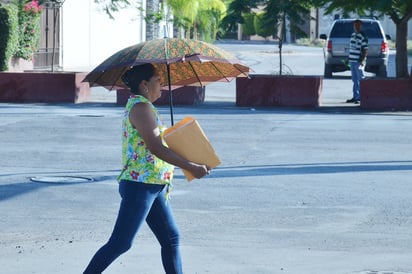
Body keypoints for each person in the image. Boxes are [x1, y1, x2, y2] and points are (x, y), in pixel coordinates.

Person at [83, 63, 211, 274]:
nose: (162, 85)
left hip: (154, 184)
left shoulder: (145, 107)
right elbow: (157, 148)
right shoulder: (141, 108)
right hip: (140, 185)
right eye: (158, 81)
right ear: (144, 84)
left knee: (171, 239)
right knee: (121, 243)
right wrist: (191, 166)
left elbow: (157, 145)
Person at [346, 19, 368, 104]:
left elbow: (365, 49)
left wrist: (362, 60)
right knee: (354, 80)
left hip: (359, 61)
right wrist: (348, 58)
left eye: (358, 25)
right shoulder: (352, 35)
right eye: (355, 25)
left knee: (361, 79)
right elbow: (351, 48)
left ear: (361, 26)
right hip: (352, 60)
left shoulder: (363, 36)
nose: (356, 27)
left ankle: (361, 97)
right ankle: (355, 97)